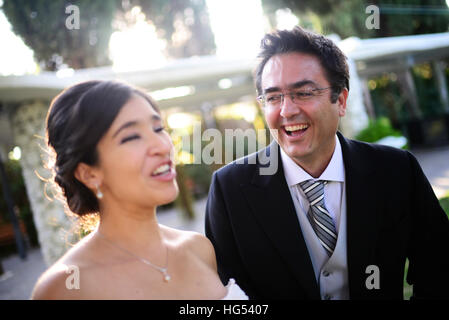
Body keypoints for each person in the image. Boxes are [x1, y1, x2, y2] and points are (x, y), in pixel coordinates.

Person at [205, 26, 449, 300]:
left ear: (341, 100)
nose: (287, 110)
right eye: (274, 97)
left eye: (305, 92)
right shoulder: (230, 190)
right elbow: (225, 294)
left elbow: (439, 267)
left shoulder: (397, 171)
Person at [32, 80, 248, 300]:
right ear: (89, 173)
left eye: (158, 128)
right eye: (132, 137)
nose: (163, 146)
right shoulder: (66, 286)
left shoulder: (199, 249)